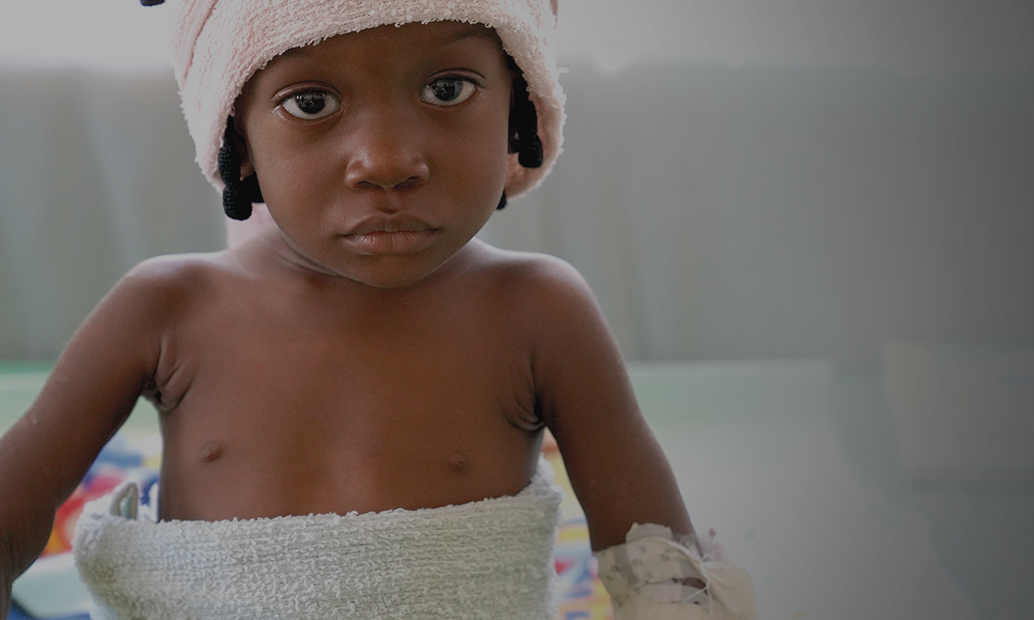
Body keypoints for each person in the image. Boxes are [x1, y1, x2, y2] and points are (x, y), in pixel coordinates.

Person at [0, 1, 754, 618]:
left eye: (448, 90)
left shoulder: (538, 312)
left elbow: (662, 572)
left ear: (521, 113)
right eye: (312, 102)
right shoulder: (165, 311)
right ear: (237, 137)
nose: (388, 159)